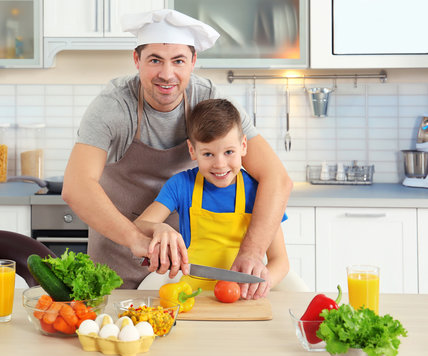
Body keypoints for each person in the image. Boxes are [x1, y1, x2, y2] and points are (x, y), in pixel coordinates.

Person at [62, 9, 293, 297]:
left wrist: (251, 251)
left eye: (179, 61)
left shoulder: (210, 101)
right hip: (117, 257)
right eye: (155, 60)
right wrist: (135, 237)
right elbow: (76, 186)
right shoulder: (113, 106)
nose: (167, 74)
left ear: (193, 61)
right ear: (137, 60)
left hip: (182, 268)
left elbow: (276, 178)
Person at [134, 99, 289, 297]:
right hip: (192, 298)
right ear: (193, 151)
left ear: (243, 146)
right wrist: (159, 227)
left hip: (243, 299)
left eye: (229, 152)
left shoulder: (259, 192)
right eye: (208, 154)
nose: (220, 164)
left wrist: (263, 282)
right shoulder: (181, 185)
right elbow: (139, 225)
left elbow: (280, 260)